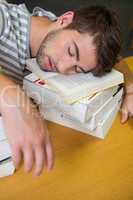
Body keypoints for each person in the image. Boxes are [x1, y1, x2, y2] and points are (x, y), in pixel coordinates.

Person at [0, 2, 132, 176]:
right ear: (64, 20)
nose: (62, 68)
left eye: (77, 69)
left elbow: (116, 59)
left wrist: (130, 88)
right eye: (71, 51)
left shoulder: (65, 32)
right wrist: (9, 93)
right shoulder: (4, 20)